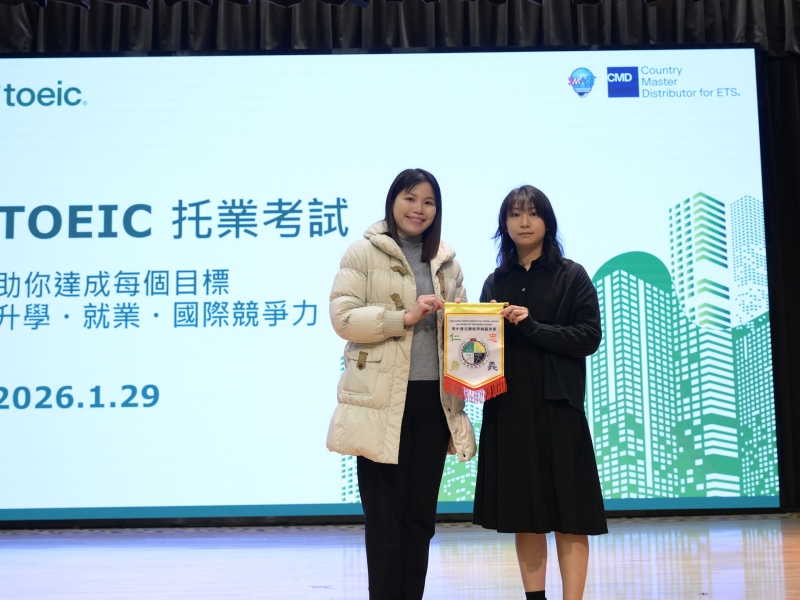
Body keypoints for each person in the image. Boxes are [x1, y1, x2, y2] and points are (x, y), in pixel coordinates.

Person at [327, 168, 476, 600]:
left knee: (419, 519)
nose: (419, 209)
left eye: (429, 202)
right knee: (384, 520)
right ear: (393, 201)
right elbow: (343, 318)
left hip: (435, 401)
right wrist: (404, 317)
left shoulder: (447, 261)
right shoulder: (363, 252)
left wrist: (479, 322)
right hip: (382, 401)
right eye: (411, 199)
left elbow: (463, 327)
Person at [472, 185, 607, 600]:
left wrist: (533, 327)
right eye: (515, 215)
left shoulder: (572, 275)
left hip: (559, 408)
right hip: (509, 409)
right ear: (504, 225)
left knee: (570, 514)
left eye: (532, 213)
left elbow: (588, 337)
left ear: (547, 222)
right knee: (525, 515)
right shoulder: (495, 281)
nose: (524, 222)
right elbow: (479, 350)